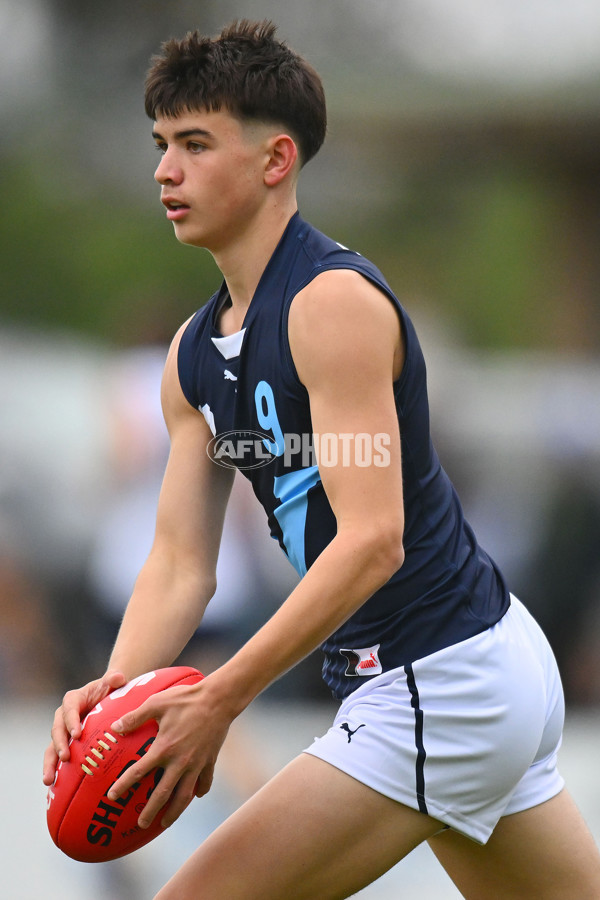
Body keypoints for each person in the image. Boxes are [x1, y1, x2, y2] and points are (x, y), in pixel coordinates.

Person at [43, 20, 600, 899]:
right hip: (460, 672)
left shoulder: (329, 304)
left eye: (195, 144)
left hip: (437, 677)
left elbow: (373, 540)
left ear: (275, 161)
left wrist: (220, 697)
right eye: (160, 145)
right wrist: (114, 691)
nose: (165, 171)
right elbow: (183, 562)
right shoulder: (193, 356)